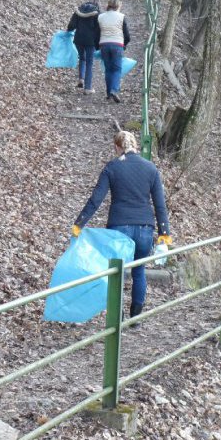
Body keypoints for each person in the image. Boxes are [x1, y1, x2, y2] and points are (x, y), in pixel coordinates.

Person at [71, 131, 170, 319]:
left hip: (119, 228)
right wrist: (164, 235)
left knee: (117, 272)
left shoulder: (112, 167)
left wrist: (79, 224)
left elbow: (96, 199)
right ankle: (136, 317)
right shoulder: (151, 169)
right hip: (144, 229)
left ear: (117, 147)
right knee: (139, 271)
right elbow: (160, 205)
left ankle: (119, 316)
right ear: (135, 146)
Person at [97, 0, 130, 103]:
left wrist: (97, 46)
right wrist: (124, 45)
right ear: (118, 6)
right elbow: (127, 35)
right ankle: (114, 90)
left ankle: (108, 93)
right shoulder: (121, 17)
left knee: (108, 69)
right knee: (116, 69)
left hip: (104, 45)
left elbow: (97, 33)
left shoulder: (100, 17)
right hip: (117, 45)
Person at [66, 0, 101, 93]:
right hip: (91, 41)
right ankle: (88, 88)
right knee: (89, 63)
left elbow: (71, 26)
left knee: (82, 58)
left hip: (79, 40)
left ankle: (81, 79)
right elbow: (99, 29)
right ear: (97, 5)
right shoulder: (97, 14)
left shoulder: (78, 12)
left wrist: (68, 33)